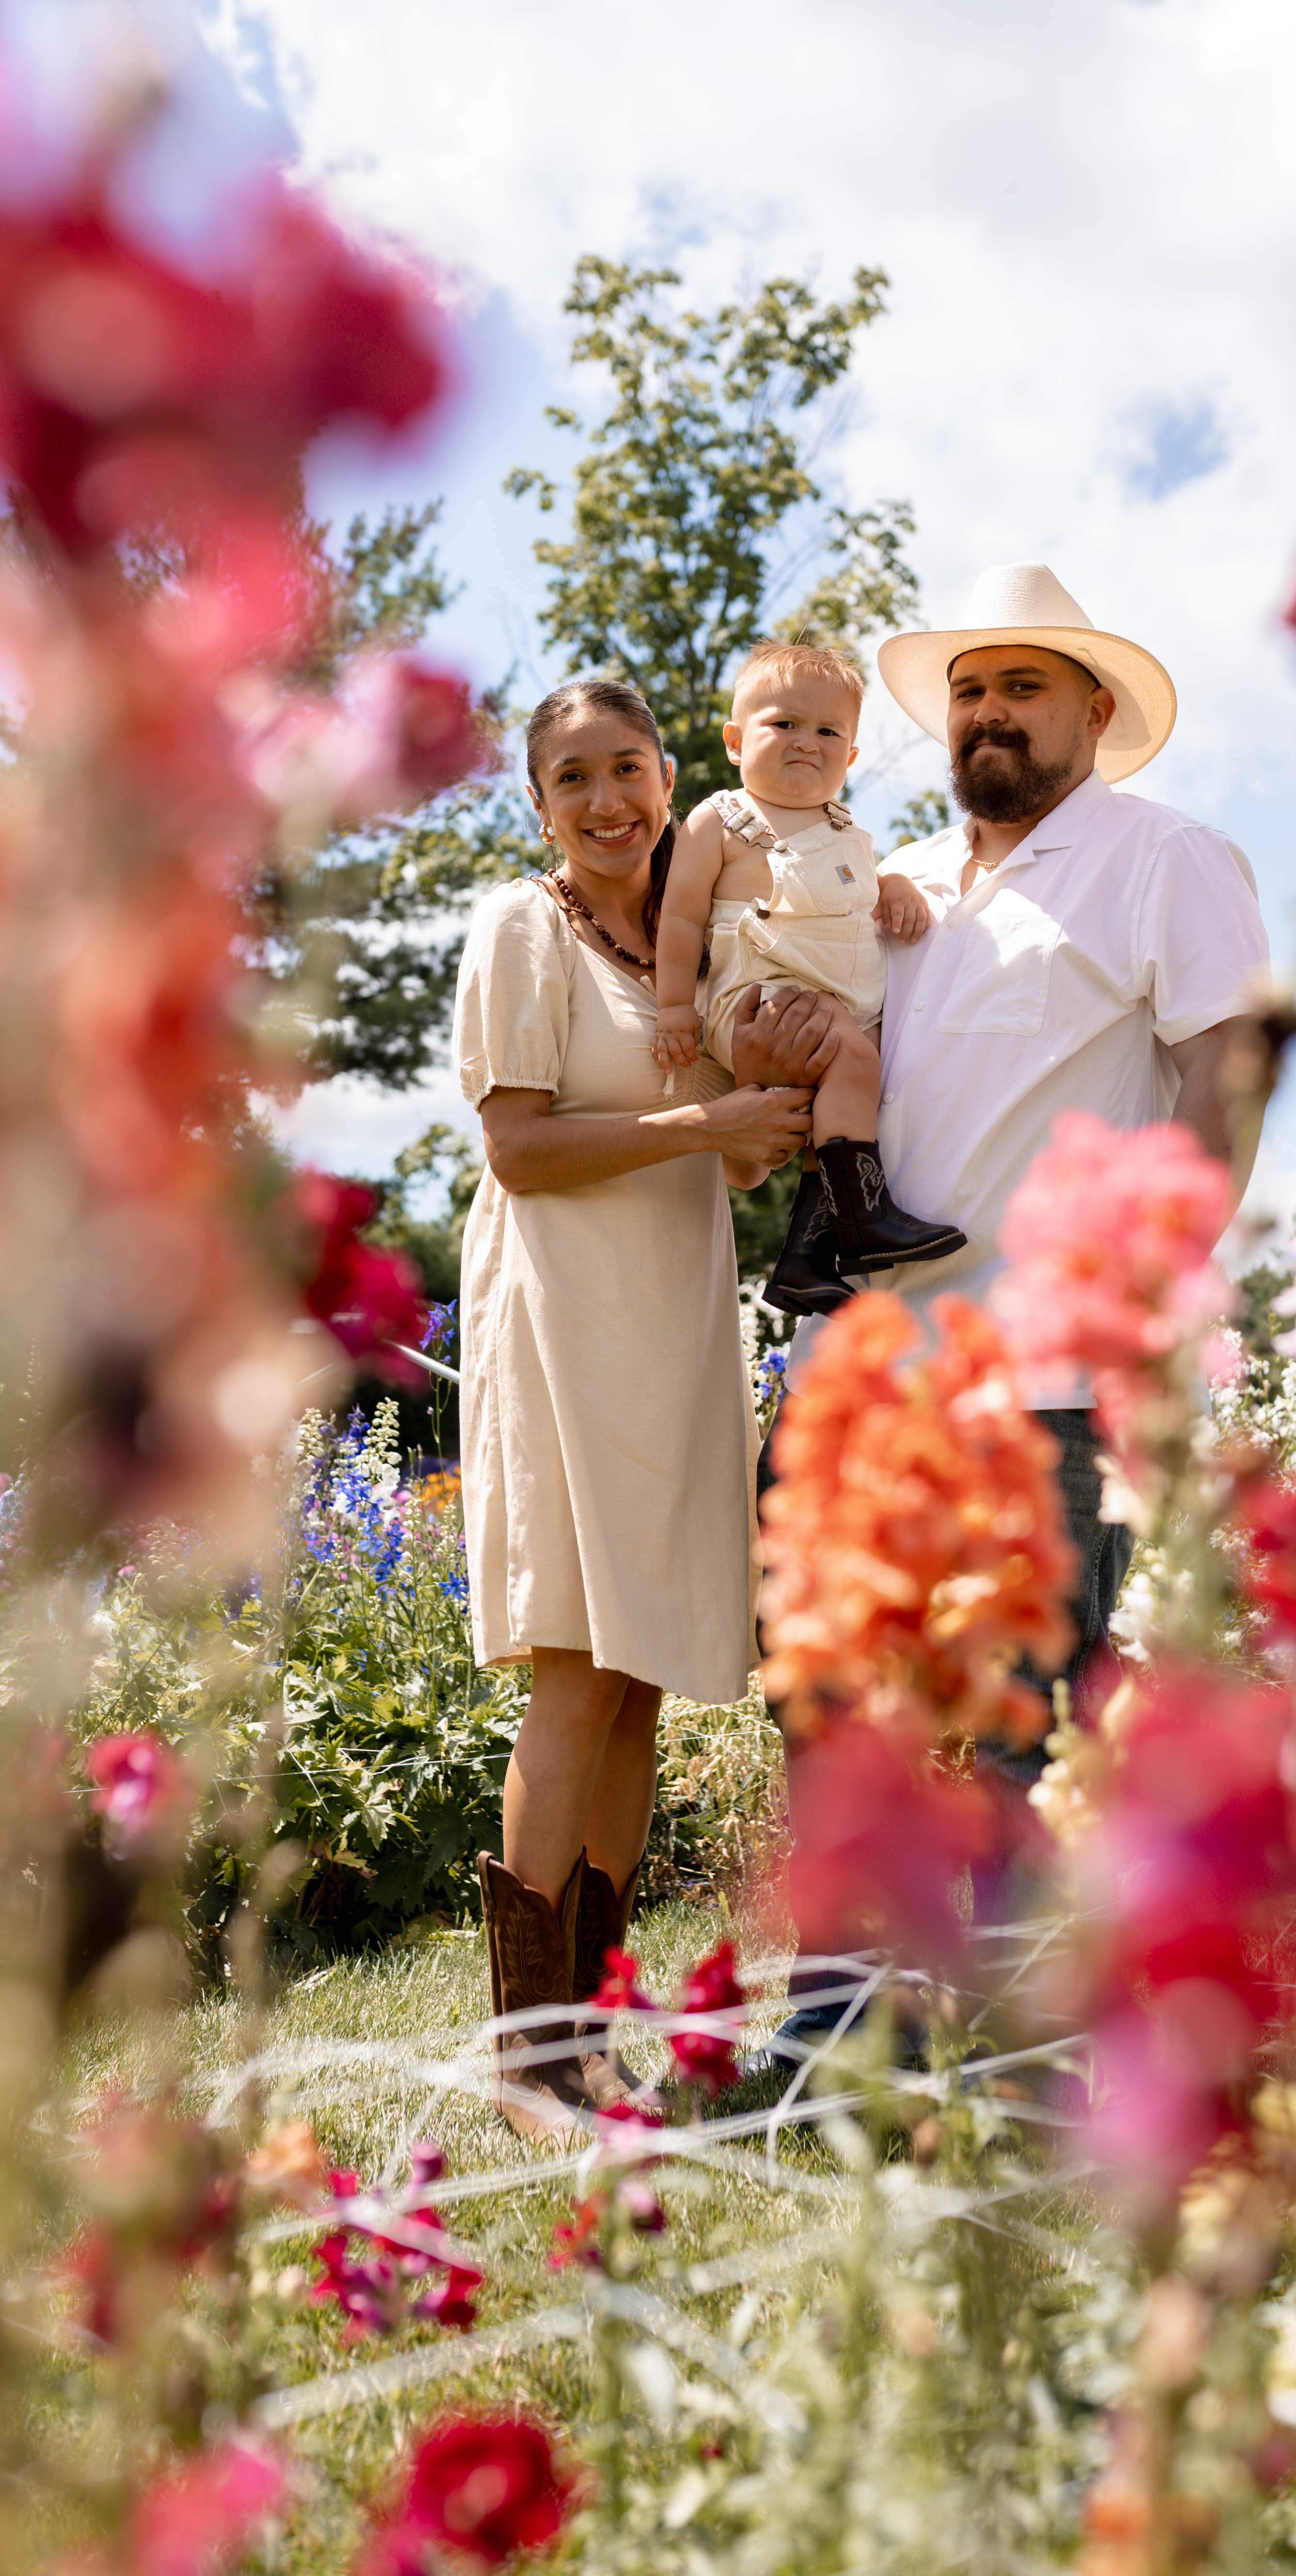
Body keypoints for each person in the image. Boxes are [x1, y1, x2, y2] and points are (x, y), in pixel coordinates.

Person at [757, 560, 1272, 2063]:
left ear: (1094, 711)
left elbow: (1222, 1076)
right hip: (857, 1365)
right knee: (830, 1704)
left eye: (1023, 687)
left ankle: (1000, 2047)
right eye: (971, 690)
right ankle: (832, 2034)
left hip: (1043, 1366)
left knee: (1022, 1718)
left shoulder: (1162, 858)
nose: (987, 713)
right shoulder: (902, 884)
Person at [453, 677, 814, 2141]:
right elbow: (521, 1151)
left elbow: (743, 1163)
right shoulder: (522, 928)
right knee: (571, 1676)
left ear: (673, 780)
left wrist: (798, 1034)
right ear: (540, 803)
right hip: (563, 1331)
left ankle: (595, 2032)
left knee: (643, 1684)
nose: (609, 801)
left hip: (672, 1337)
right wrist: (704, 1120)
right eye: (575, 778)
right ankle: (526, 2059)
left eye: (630, 770)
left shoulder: (678, 951)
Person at [650, 641, 965, 1312]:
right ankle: (867, 1215)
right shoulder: (723, 820)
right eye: (783, 725)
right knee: (851, 1055)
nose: (806, 743)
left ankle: (806, 1254)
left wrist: (895, 884)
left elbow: (853, 890)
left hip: (837, 1000)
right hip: (759, 1000)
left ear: (851, 758)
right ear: (736, 742)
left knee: (867, 1068)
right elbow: (679, 921)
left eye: (828, 732)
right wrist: (675, 1007)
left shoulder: (848, 831)